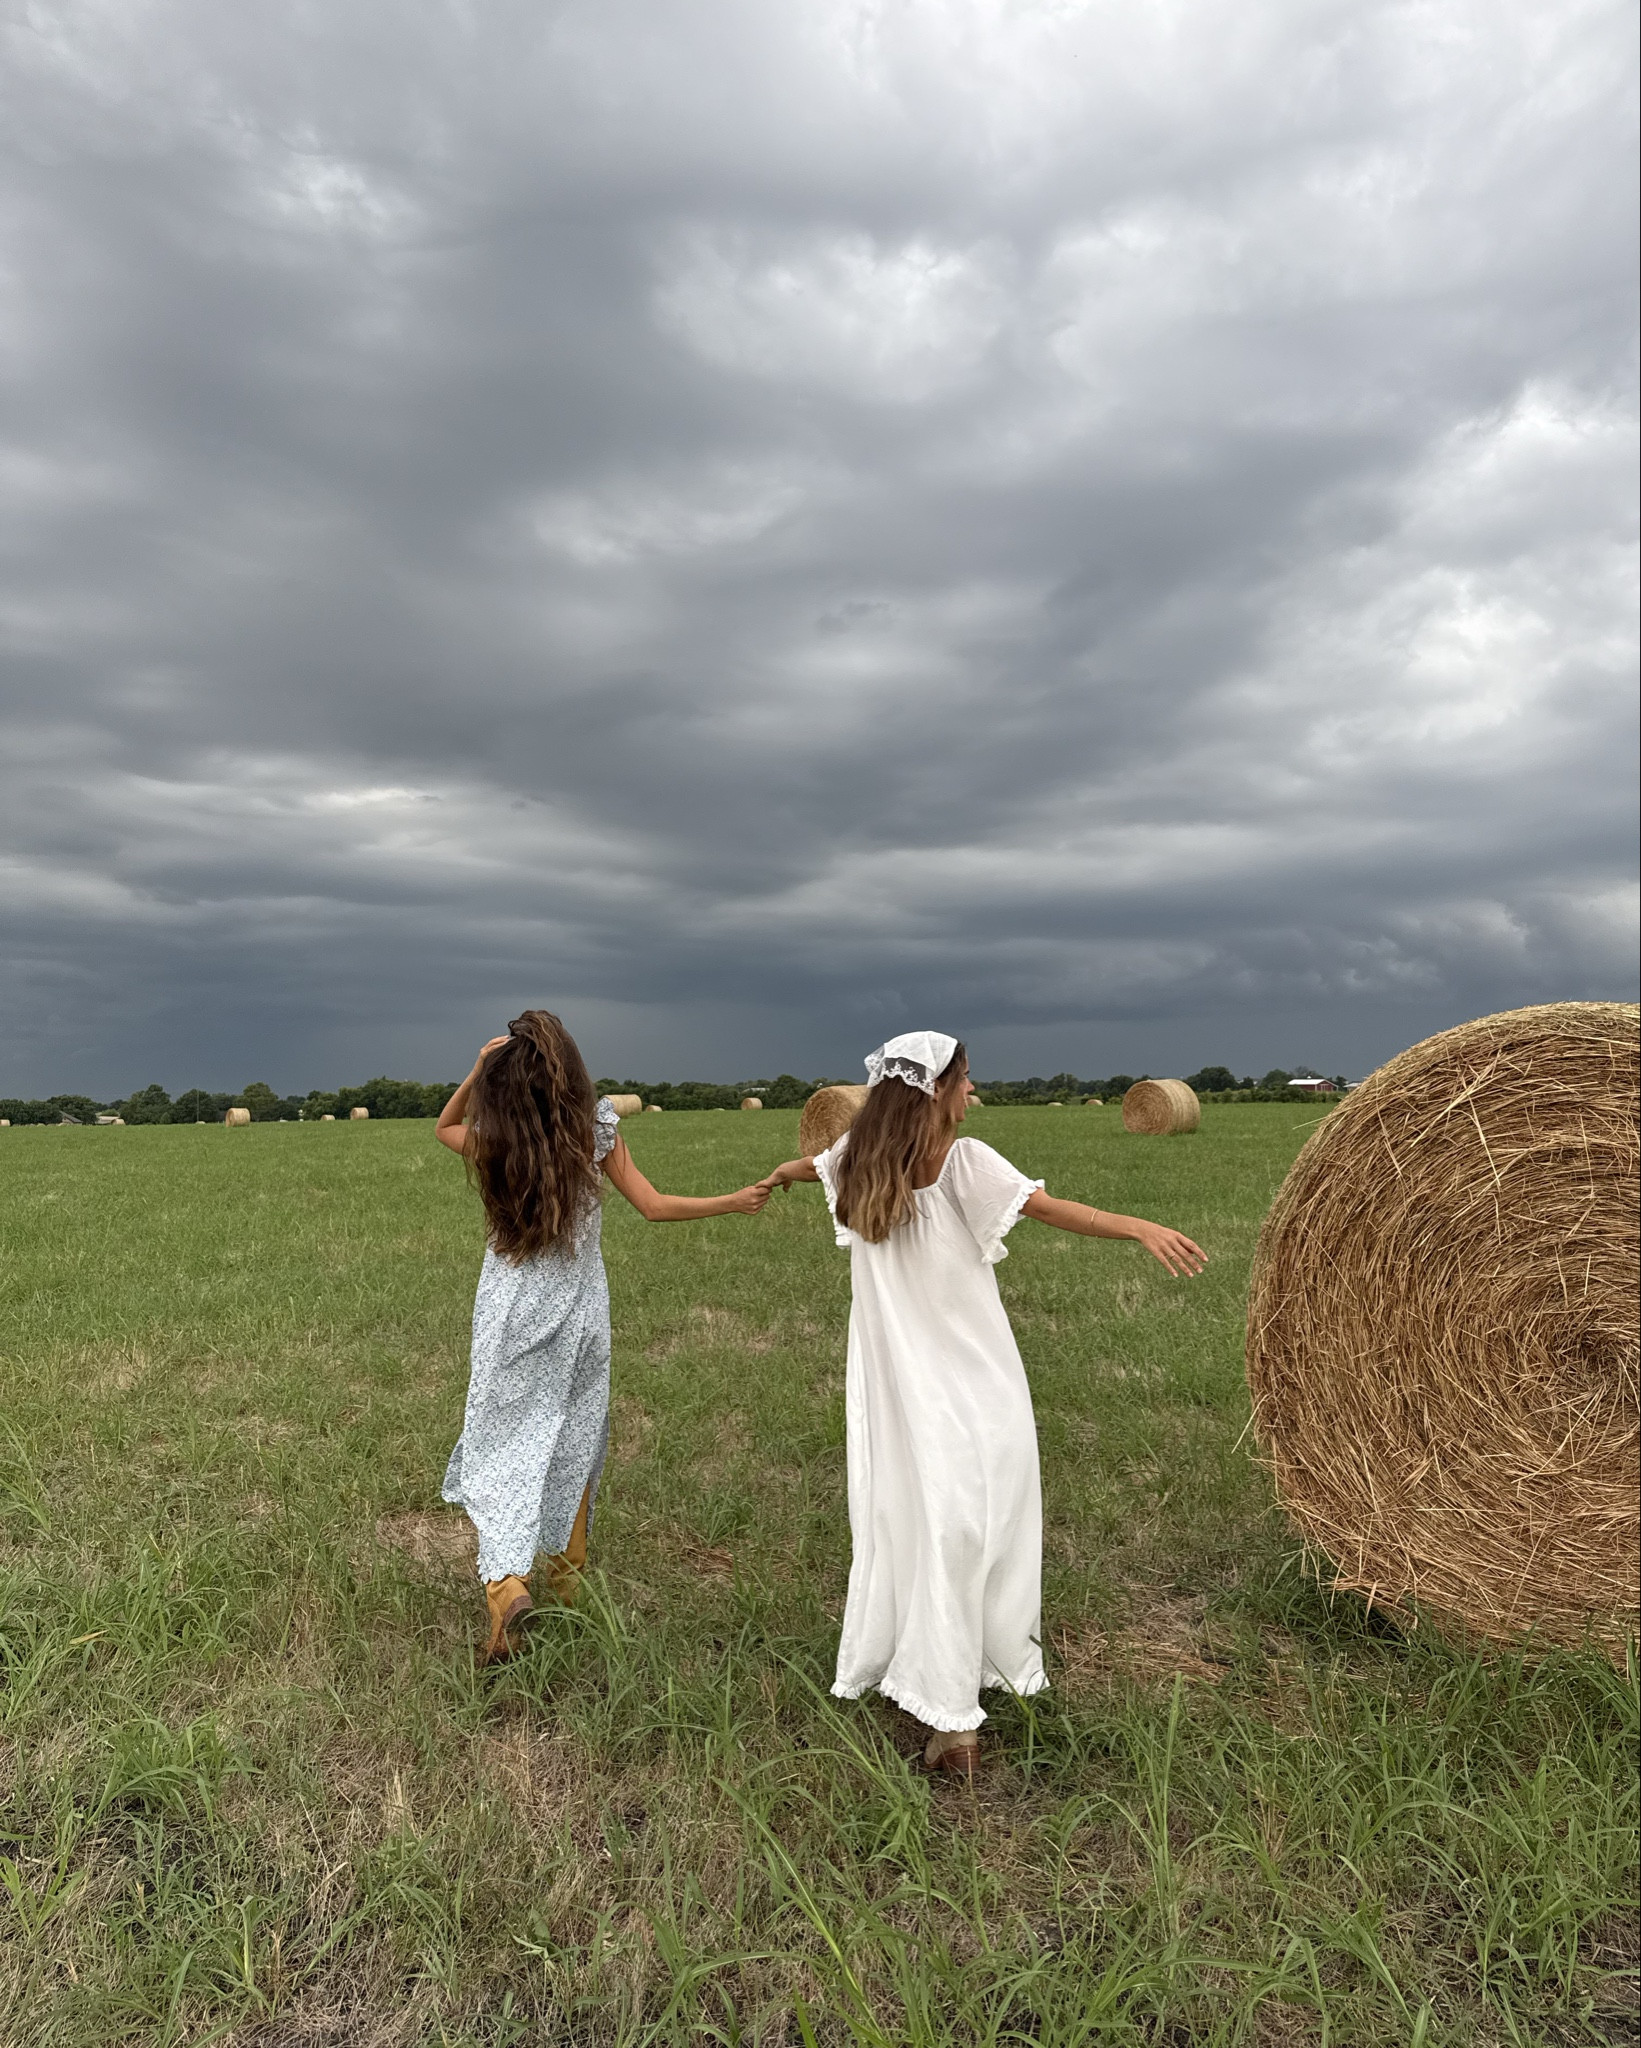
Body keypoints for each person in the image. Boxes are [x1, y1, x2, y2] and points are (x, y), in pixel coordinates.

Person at [757, 1032, 1206, 1776]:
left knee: (929, 1527)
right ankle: (954, 1715)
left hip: (904, 1396)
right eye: (964, 1082)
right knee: (976, 1528)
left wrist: (774, 1178)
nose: (973, 1094)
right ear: (933, 1090)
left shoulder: (851, 1164)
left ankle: (947, 1694)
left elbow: (802, 1166)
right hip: (977, 1384)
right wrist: (1139, 1227)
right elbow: (1056, 1210)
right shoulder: (966, 1163)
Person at [436, 1011, 771, 1664]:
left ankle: (507, 1588)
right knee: (574, 1437)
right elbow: (653, 1204)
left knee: (498, 1449)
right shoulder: (591, 1132)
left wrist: (478, 1071)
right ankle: (565, 1581)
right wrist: (729, 1200)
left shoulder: (498, 1136)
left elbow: (446, 1126)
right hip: (582, 1323)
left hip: (512, 1319)